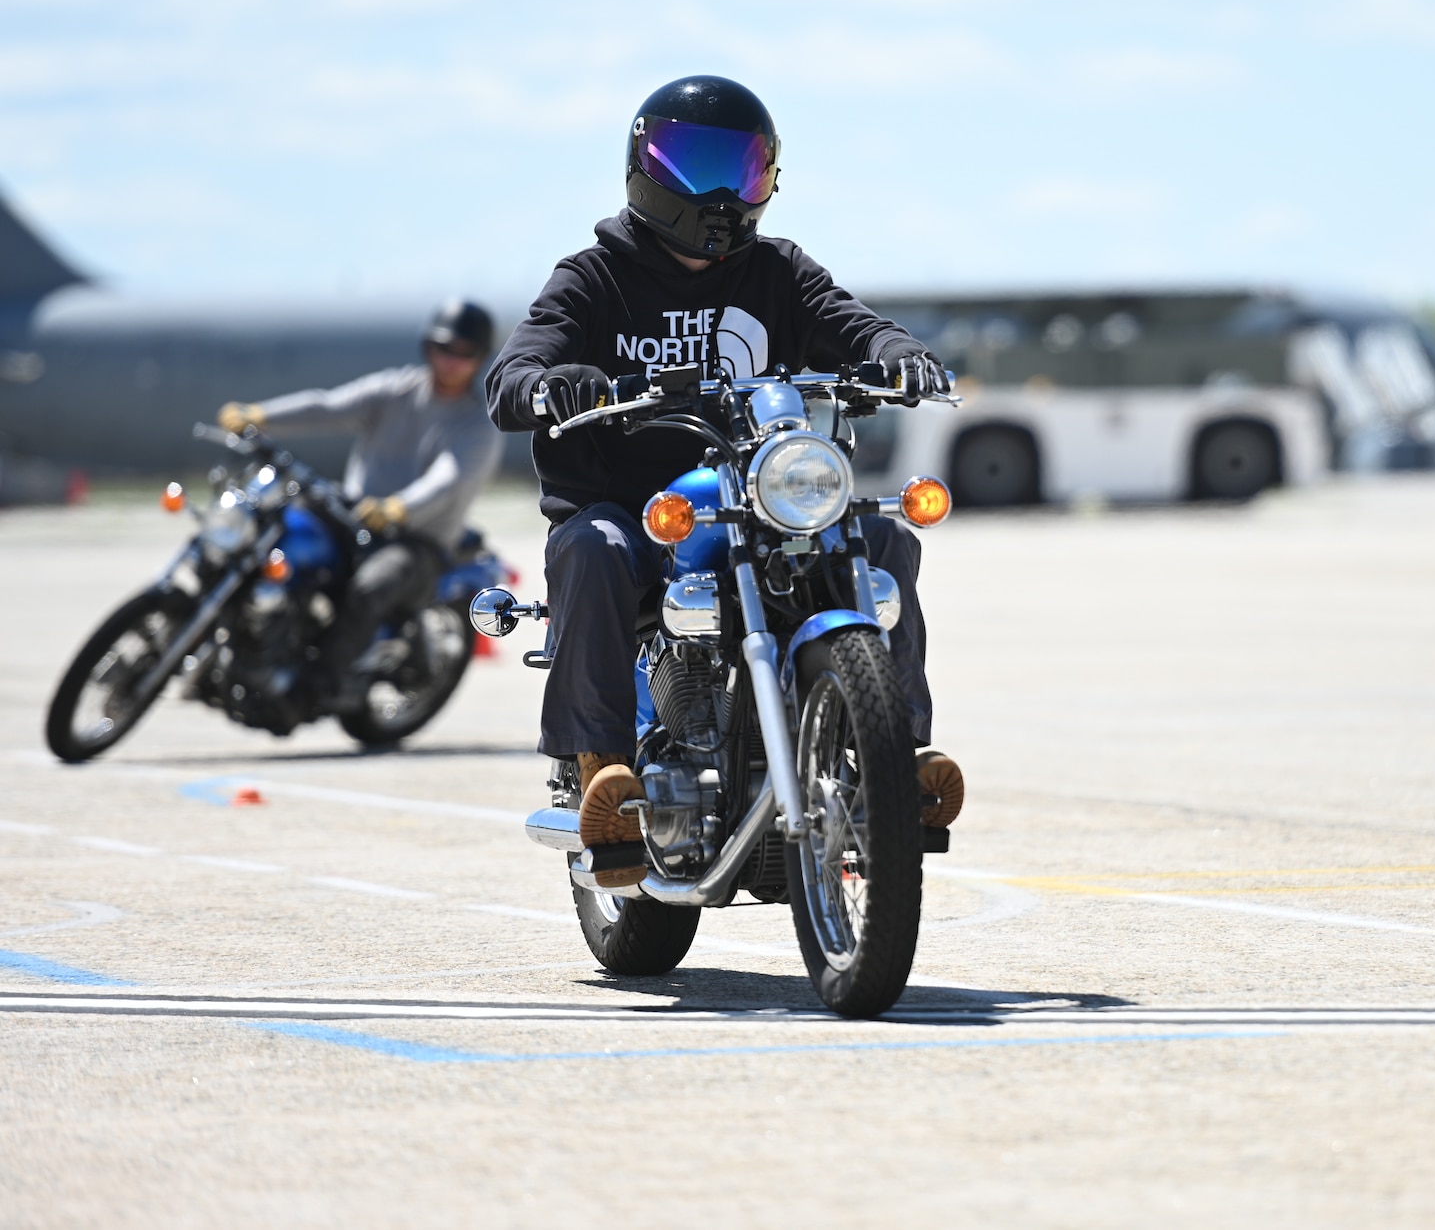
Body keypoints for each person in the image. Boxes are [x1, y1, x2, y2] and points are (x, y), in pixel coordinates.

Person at [485, 75, 964, 883]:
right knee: (591, 546)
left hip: (755, 496)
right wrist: (546, 382)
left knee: (880, 537)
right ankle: (604, 766)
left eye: (742, 169)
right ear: (646, 166)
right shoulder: (594, 276)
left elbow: (849, 322)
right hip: (636, 511)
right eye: (696, 164)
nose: (720, 192)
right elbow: (514, 371)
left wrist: (894, 353)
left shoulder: (777, 270)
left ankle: (899, 756)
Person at [218, 299, 505, 709]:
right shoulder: (395, 389)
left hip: (415, 540)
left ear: (479, 360)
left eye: (466, 353)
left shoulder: (477, 425)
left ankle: (308, 694)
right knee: (273, 529)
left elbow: (448, 479)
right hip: (352, 516)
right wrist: (261, 415)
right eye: (446, 348)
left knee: (371, 587)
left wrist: (398, 508)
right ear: (428, 347)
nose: (453, 361)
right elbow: (328, 406)